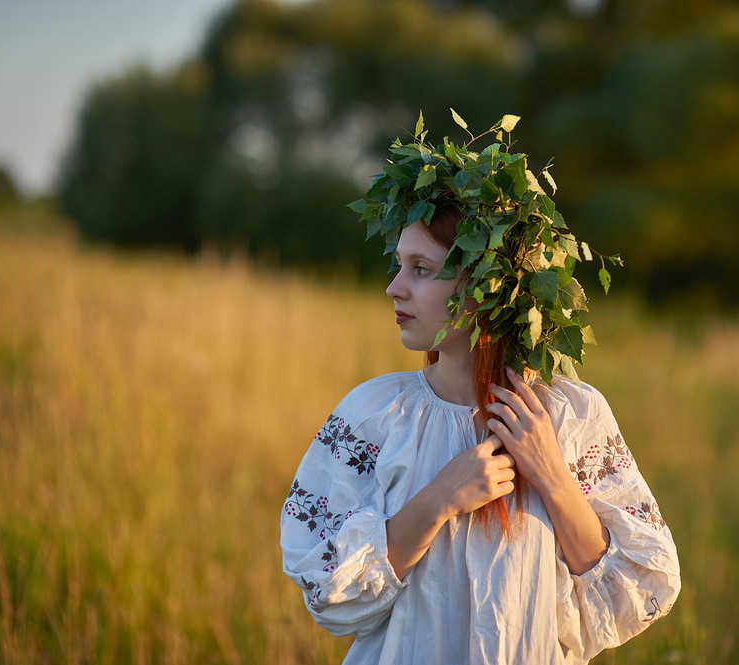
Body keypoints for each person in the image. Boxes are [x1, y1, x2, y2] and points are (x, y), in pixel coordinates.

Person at [281, 114, 680, 664]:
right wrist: (440, 497)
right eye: (400, 266)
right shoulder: (374, 417)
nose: (394, 288)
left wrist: (554, 478)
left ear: (487, 288)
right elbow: (332, 595)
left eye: (421, 269)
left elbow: (638, 589)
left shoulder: (569, 416)